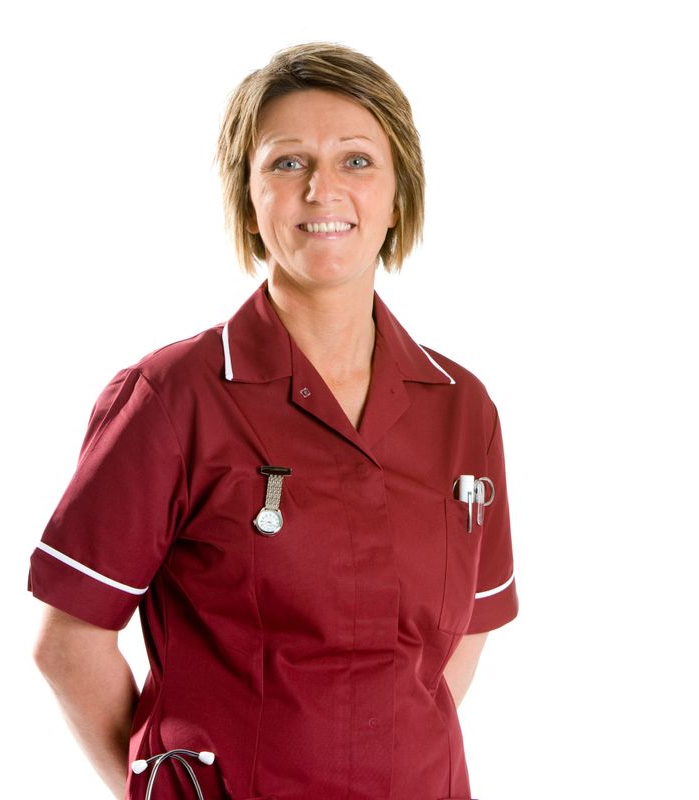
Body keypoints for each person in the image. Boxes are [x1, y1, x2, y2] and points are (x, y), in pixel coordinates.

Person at [28, 41, 518, 800]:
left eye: (357, 161)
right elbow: (70, 644)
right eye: (288, 163)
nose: (323, 190)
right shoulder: (172, 399)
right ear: (249, 201)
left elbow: (458, 644)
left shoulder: (461, 409)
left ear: (398, 198)